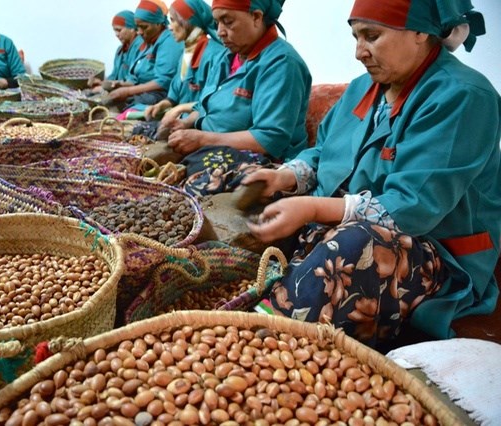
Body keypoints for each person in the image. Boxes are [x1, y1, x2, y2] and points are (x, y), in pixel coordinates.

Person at [244, 0, 501, 348]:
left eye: (371, 36)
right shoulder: (363, 88)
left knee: (355, 244)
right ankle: (271, 291)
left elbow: (411, 207)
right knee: (252, 182)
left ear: (421, 33)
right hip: (348, 224)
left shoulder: (463, 96)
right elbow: (324, 151)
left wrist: (311, 209)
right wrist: (285, 176)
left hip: (434, 252)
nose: (358, 52)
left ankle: (260, 341)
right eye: (356, 37)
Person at [166, 0, 312, 196]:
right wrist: (186, 123)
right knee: (155, 145)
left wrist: (202, 139)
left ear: (257, 17)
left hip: (263, 160)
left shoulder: (282, 63)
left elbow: (269, 139)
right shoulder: (227, 56)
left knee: (188, 192)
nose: (220, 32)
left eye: (228, 22)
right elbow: (205, 104)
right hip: (213, 145)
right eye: (217, 22)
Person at [141, 0, 226, 140]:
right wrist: (163, 104)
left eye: (174, 21)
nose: (170, 27)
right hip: (181, 122)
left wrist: (180, 109)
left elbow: (212, 103)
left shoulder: (216, 56)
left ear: (189, 22)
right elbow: (175, 93)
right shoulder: (186, 53)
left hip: (201, 128)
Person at [108, 0, 183, 110]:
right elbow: (137, 78)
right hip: (145, 92)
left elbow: (163, 82)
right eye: (138, 27)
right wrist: (121, 85)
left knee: (119, 107)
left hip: (161, 96)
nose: (139, 32)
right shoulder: (149, 43)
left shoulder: (169, 41)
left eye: (144, 27)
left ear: (158, 23)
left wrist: (128, 91)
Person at [88, 11, 143, 90]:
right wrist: (102, 82)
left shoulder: (142, 48)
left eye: (119, 30)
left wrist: (104, 88)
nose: (116, 34)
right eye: (115, 31)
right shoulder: (120, 51)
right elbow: (114, 76)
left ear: (132, 28)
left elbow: (135, 79)